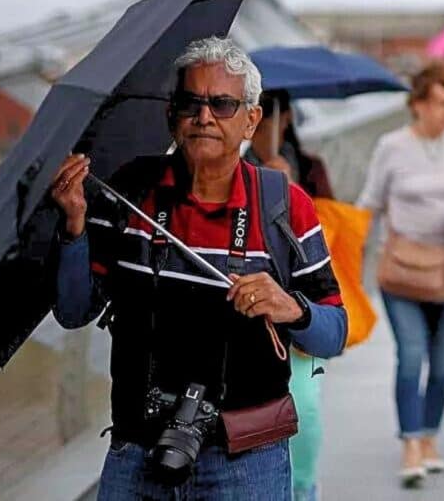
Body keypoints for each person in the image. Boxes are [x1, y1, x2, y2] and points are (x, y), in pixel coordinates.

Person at [49, 37, 348, 501]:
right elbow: (73, 311)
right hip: (138, 448)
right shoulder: (132, 191)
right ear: (172, 114)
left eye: (223, 104)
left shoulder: (283, 206)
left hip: (246, 459)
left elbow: (334, 334)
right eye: (191, 102)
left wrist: (291, 308)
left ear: (252, 118)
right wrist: (73, 227)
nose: (204, 117)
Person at [357, 65, 444, 488]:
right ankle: (410, 442)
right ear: (418, 105)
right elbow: (369, 203)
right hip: (402, 270)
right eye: (442, 104)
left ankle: (430, 436)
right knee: (412, 355)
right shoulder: (391, 146)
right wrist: (351, 261)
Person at [246, 89, 336, 501]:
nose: (269, 129)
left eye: (275, 119)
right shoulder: (236, 172)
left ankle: (303, 486)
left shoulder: (308, 169)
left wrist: (292, 193)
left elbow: (329, 236)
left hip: (298, 309)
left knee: (305, 406)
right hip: (252, 324)